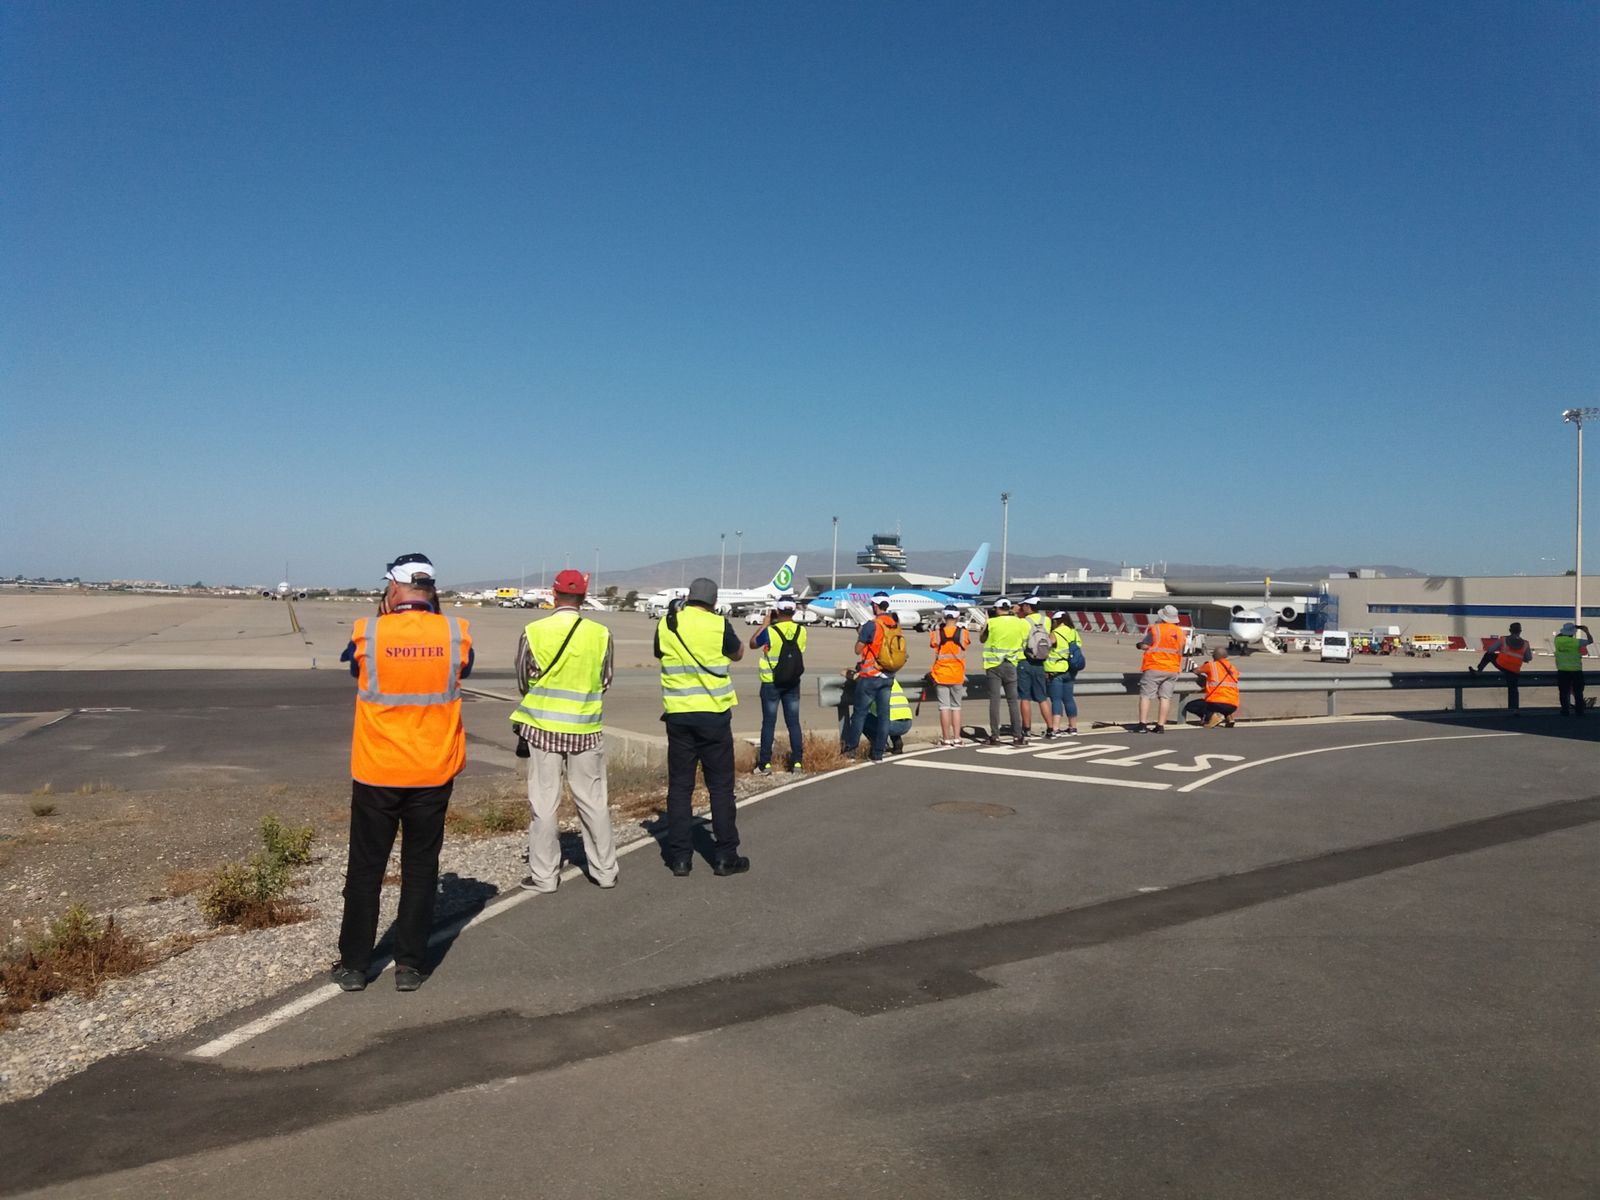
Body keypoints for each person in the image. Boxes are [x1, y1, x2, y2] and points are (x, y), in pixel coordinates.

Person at [332, 553, 473, 993]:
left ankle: (355, 965)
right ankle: (410, 966)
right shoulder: (455, 633)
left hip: (378, 770)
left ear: (392, 589)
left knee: (366, 869)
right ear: (432, 590)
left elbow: (355, 666)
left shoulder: (369, 632)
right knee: (420, 867)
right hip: (432, 772)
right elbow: (461, 668)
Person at [510, 568, 618, 894]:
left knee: (544, 802)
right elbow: (605, 680)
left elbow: (523, 681)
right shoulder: (601, 634)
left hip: (543, 729)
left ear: (553, 595)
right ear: (584, 598)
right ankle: (605, 872)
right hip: (585, 728)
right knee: (593, 801)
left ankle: (544, 876)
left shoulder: (533, 630)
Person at [655, 577, 748, 876]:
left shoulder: (668, 624)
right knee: (720, 788)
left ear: (688, 598)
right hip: (714, 716)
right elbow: (738, 653)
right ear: (714, 601)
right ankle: (725, 856)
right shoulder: (720, 625)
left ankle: (680, 858)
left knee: (680, 787)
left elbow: (659, 653)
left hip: (679, 716)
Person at [842, 592, 901, 763]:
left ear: (875, 605)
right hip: (888, 675)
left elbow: (858, 650)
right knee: (884, 715)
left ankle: (851, 751)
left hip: (870, 676)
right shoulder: (895, 625)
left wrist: (861, 634)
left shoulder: (872, 625)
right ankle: (878, 753)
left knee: (859, 714)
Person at [750, 596, 806, 774]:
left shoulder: (770, 631)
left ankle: (765, 763)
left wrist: (765, 623)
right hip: (792, 682)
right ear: (795, 611)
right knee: (793, 723)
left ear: (777, 611)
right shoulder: (801, 631)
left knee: (769, 723)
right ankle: (797, 762)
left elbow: (752, 643)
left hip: (771, 682)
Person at [980, 597, 1029, 746]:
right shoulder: (1020, 623)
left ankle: (995, 736)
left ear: (996, 609)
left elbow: (983, 639)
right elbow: (1024, 639)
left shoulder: (992, 622)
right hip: (1011, 663)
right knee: (1013, 702)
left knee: (995, 701)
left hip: (993, 664)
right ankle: (1017, 736)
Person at [1136, 604, 1186, 733]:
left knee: (1146, 696)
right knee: (1165, 698)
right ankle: (1160, 726)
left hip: (1155, 665)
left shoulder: (1156, 629)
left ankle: (1142, 725)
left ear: (1162, 616)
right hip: (1173, 668)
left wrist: (1140, 645)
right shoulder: (1181, 632)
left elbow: (1145, 645)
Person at [928, 606, 970, 746]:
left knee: (944, 707)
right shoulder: (964, 633)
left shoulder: (937, 633)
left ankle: (946, 739)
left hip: (941, 674)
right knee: (956, 707)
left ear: (944, 617)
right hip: (957, 674)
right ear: (958, 617)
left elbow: (933, 644)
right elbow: (965, 645)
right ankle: (957, 738)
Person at [1471, 621, 1533, 712]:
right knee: (1513, 689)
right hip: (1514, 669)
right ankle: (1514, 710)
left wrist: (1501, 651)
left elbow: (1490, 650)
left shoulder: (1503, 639)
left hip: (1502, 664)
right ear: (1520, 631)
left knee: (1488, 655)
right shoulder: (1525, 643)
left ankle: (1479, 671)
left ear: (1510, 630)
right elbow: (1528, 658)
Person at [1043, 610, 1084, 737]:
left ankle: (1055, 728)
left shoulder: (1055, 633)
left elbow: (1045, 648)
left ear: (1056, 621)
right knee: (1069, 699)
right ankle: (1073, 727)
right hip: (1071, 669)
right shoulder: (1074, 632)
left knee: (1056, 699)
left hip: (1056, 670)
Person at [1015, 597, 1051, 740]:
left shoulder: (1023, 622)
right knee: (1042, 697)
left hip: (1025, 660)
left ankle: (1027, 729)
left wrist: (1017, 614)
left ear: (1028, 607)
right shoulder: (1046, 620)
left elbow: (1020, 638)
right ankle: (1050, 728)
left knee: (1025, 697)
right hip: (1041, 662)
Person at [1185, 647, 1240, 728]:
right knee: (1224, 705)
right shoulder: (1233, 668)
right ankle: (1229, 716)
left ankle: (1212, 717)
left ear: (1214, 656)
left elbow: (1196, 671)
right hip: (1233, 704)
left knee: (1191, 705)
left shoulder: (1211, 665)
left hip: (1216, 701)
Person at [862, 678, 915, 754]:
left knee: (860, 719)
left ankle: (880, 744)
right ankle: (897, 743)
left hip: (891, 725)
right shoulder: (891, 678)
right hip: (907, 723)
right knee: (890, 714)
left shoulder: (870, 680)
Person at [1552, 622, 1592, 718]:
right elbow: (1590, 641)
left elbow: (1559, 635)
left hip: (1562, 670)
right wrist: (1586, 631)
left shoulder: (1557, 640)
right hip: (1576, 670)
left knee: (1563, 691)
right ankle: (1579, 711)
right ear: (1573, 632)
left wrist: (1573, 628)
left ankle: (1565, 710)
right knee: (1578, 692)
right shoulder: (1577, 642)